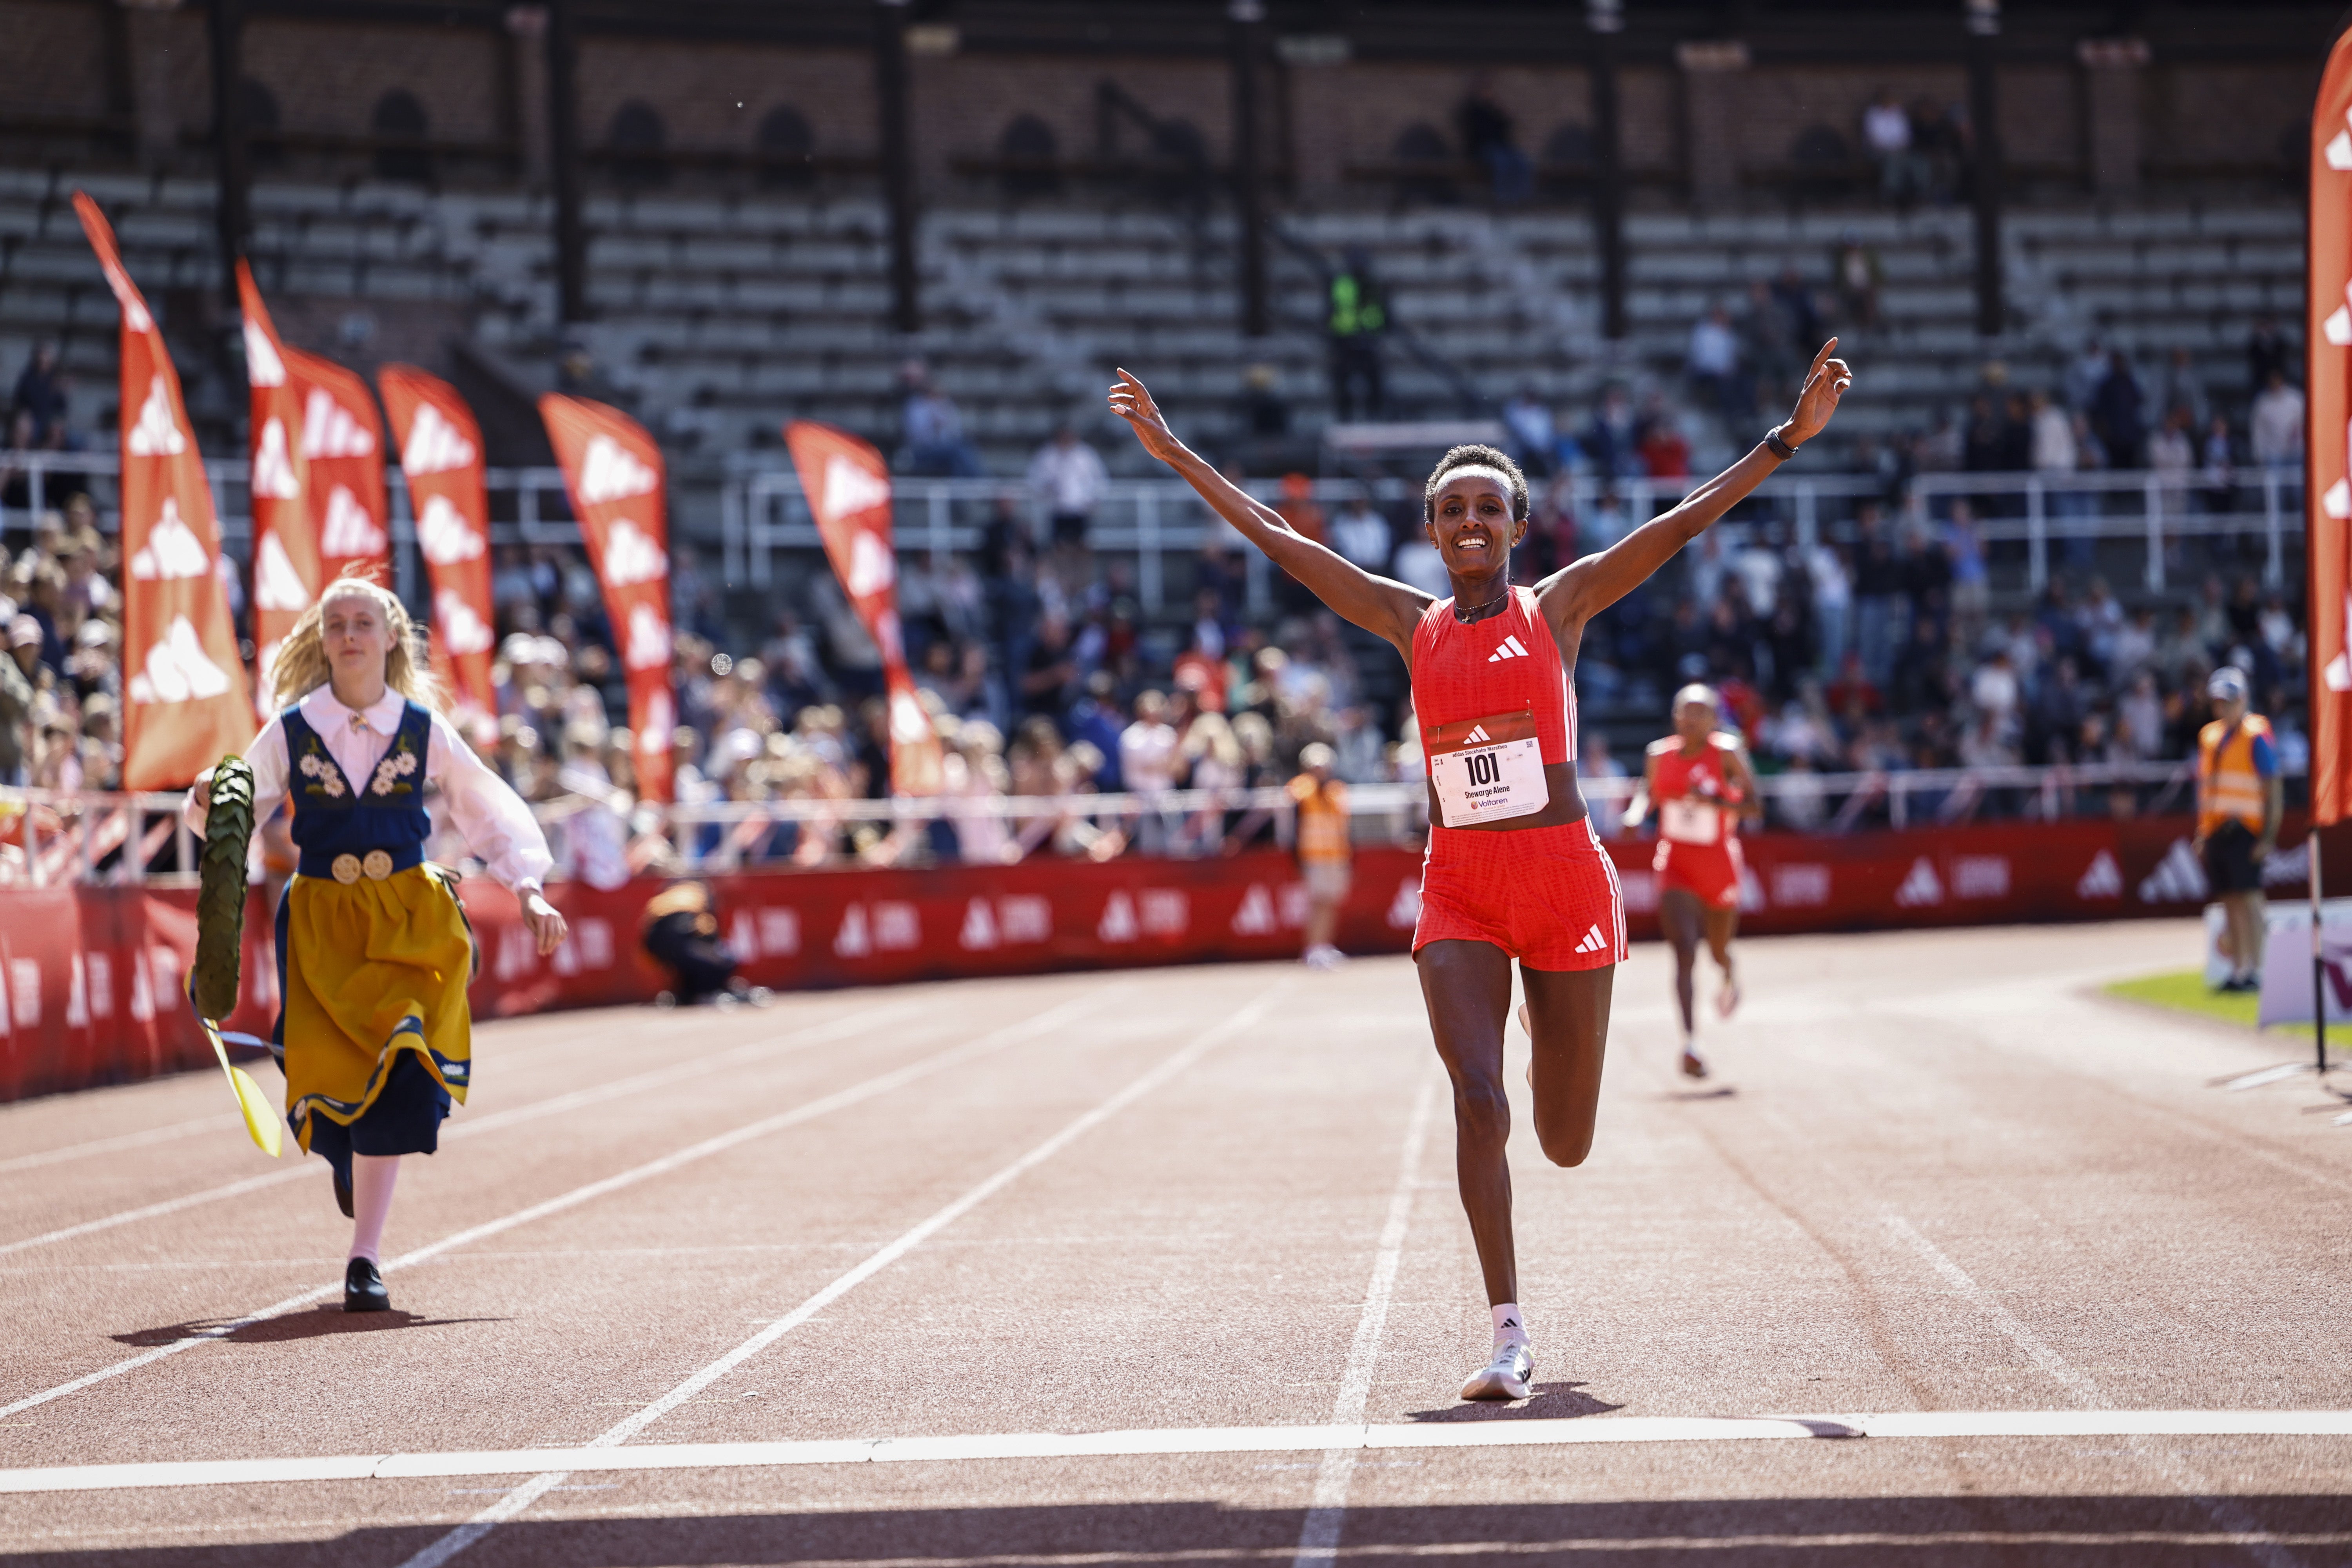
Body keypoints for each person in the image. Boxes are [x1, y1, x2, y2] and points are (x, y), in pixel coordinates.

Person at [1108, 336, 1853, 1403]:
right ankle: (1508, 1331)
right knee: (1477, 1102)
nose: (1469, 523)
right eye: (1451, 510)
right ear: (1431, 530)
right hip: (1459, 886)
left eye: (1487, 510)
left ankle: (1551, 1071)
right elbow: (1279, 537)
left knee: (1564, 1138)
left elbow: (1681, 524)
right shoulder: (1407, 626)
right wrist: (1176, 454)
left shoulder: (1559, 608)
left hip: (1563, 887)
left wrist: (1786, 440)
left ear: (1516, 527)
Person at [183, 578, 567, 1313]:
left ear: (392, 638)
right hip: (322, 923)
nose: (351, 635)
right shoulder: (292, 729)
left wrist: (528, 887)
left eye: (365, 623)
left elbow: (488, 808)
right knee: (325, 1077)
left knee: (403, 1055)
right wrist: (208, 795)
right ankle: (345, 1155)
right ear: (322, 639)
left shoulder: (424, 729)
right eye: (338, 624)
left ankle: (365, 1257)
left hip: (408, 921)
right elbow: (235, 808)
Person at [1628, 685, 1759, 1078]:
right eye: (1685, 712)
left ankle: (1728, 967)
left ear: (1715, 719)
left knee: (1716, 950)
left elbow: (1755, 807)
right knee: (1684, 950)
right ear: (1675, 716)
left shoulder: (1726, 753)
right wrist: (1636, 814)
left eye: (1701, 713)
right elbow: (1646, 792)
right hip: (1676, 866)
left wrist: (1716, 803)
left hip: (1718, 865)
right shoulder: (1658, 754)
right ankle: (1690, 1043)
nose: (1691, 720)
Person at [2194, 666, 2280, 993]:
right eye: (2219, 702)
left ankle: (2258, 970)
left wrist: (2268, 836)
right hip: (2218, 831)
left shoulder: (2257, 736)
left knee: (2250, 900)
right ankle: (2240, 969)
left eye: (2229, 701)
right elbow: (2207, 791)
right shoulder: (2209, 737)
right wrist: (2203, 831)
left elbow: (2273, 787)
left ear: (2243, 700)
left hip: (2246, 830)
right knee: (2229, 901)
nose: (2223, 708)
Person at [1289, 741, 1352, 970]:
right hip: (1314, 857)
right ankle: (1313, 948)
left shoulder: (1337, 791)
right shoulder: (1301, 789)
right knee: (1318, 904)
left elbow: (1344, 828)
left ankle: (1324, 946)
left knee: (1331, 903)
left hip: (1336, 856)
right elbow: (1294, 826)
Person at [1027, 423, 1108, 552]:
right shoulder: (1046, 456)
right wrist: (1046, 492)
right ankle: (1059, 572)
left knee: (1082, 548)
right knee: (1058, 548)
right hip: (1057, 510)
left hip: (1081, 510)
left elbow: (1100, 479)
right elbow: (1035, 481)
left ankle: (1080, 572)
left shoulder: (1086, 456)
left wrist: (1093, 500)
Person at [1326, 249, 1387, 421]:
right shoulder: (1342, 284)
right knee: (1344, 384)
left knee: (1374, 384)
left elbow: (1381, 311)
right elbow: (1333, 312)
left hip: (1368, 341)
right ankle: (1346, 420)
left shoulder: (1372, 284)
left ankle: (1374, 419)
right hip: (1346, 342)